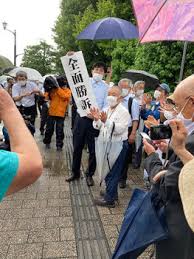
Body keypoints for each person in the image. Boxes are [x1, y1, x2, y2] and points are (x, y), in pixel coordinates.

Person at [143, 75, 194, 259]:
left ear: (192, 103)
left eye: (178, 107)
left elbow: (167, 188)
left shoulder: (191, 143)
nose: (175, 112)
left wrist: (151, 158)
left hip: (181, 232)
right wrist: (172, 148)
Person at [66, 62, 108, 186]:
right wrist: (71, 58)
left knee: (94, 149)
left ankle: (90, 174)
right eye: (96, 69)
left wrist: (98, 115)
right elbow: (72, 79)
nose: (98, 72)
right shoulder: (84, 81)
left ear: (104, 73)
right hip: (82, 118)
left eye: (101, 70)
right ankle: (75, 172)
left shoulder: (106, 87)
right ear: (91, 71)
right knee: (77, 146)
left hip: (95, 121)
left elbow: (106, 104)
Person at [90, 86, 130, 207]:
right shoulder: (106, 109)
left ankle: (109, 200)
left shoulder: (123, 111)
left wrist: (106, 121)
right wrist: (97, 120)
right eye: (109, 93)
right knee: (107, 168)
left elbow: (120, 129)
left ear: (120, 97)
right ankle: (112, 193)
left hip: (118, 144)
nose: (110, 96)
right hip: (106, 144)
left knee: (113, 171)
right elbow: (98, 126)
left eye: (113, 94)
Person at [0, 87, 42, 200]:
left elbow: (42, 96)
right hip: (18, 110)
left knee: (27, 132)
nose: (21, 80)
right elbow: (32, 165)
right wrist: (8, 107)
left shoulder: (31, 85)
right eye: (20, 78)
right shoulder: (15, 88)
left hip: (28, 110)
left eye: (23, 78)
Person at [118, 79, 140, 188]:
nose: (123, 89)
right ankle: (116, 176)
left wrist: (133, 133)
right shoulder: (116, 100)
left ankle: (122, 179)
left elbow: (135, 119)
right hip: (116, 131)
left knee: (125, 156)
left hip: (128, 131)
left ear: (130, 89)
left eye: (126, 87)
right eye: (121, 87)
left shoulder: (133, 101)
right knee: (115, 155)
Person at [43, 76, 71, 151]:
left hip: (61, 114)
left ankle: (59, 145)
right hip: (51, 113)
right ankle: (47, 142)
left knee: (60, 131)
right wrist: (48, 89)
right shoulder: (52, 89)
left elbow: (65, 96)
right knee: (49, 129)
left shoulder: (67, 90)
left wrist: (57, 88)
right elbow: (45, 96)